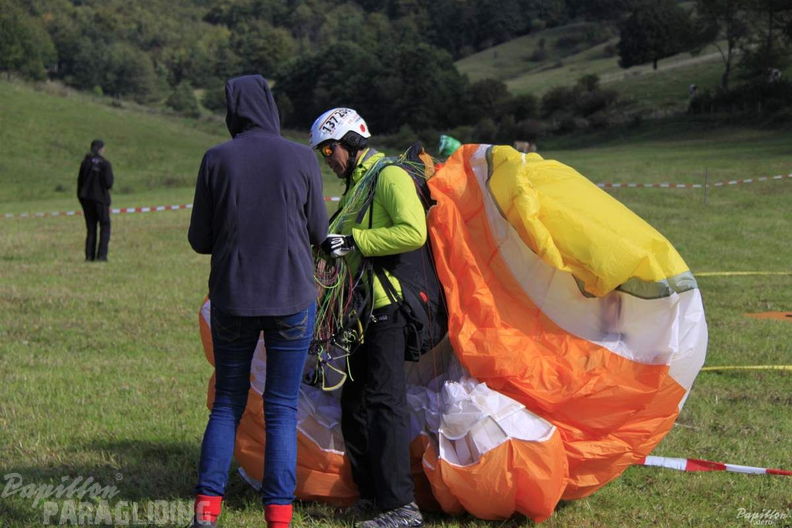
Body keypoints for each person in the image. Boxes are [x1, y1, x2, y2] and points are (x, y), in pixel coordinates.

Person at [188, 75, 328, 528]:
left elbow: (199, 239)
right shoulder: (302, 157)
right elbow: (319, 233)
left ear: (233, 110)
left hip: (233, 295)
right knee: (281, 407)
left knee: (228, 401)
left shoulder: (216, 159)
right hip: (292, 297)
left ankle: (207, 511)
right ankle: (279, 515)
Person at [310, 107, 431, 528]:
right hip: (357, 312)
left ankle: (401, 507)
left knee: (384, 404)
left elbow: (413, 232)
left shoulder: (388, 176)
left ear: (351, 142)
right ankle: (372, 496)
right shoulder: (356, 184)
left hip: (386, 308)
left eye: (330, 148)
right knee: (356, 405)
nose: (327, 157)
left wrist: (355, 239)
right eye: (323, 151)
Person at [77, 139, 113, 261]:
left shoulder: (85, 162)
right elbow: (109, 183)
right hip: (100, 200)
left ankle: (89, 256)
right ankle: (102, 256)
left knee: (91, 228)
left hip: (86, 199)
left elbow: (80, 182)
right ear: (101, 149)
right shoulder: (105, 164)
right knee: (105, 226)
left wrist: (81, 198)